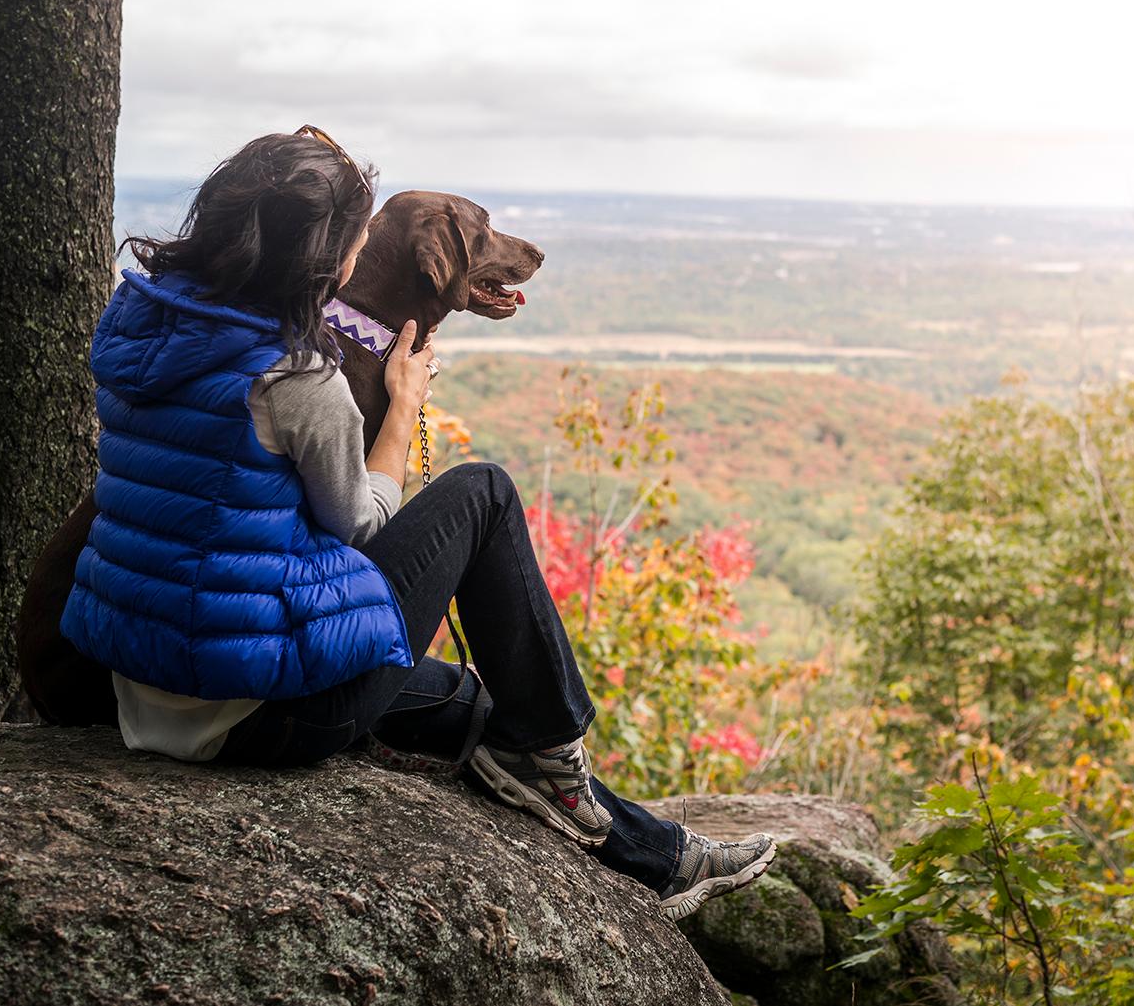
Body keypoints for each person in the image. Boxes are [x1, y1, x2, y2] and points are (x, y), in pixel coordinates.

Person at [58, 127, 776, 921]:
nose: (361, 255)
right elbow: (361, 528)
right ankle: (564, 751)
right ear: (321, 256)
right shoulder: (297, 376)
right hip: (261, 711)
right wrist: (402, 407)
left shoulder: (138, 325)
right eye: (355, 238)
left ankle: (657, 854)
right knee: (485, 492)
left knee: (476, 710)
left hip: (150, 687)